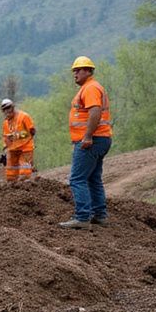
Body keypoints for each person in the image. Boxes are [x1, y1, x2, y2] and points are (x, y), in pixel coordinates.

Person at [59, 55, 113, 229]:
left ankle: (82, 217)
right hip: (101, 139)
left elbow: (95, 111)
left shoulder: (90, 88)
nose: (74, 73)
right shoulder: (91, 87)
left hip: (92, 140)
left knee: (77, 179)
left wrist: (87, 136)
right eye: (74, 70)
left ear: (88, 71)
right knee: (93, 179)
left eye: (78, 70)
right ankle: (100, 215)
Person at [0, 98, 35, 182]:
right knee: (10, 176)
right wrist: (4, 150)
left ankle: (26, 191)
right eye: (5, 110)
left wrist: (17, 136)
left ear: (13, 107)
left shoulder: (24, 117)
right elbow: (6, 137)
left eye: (8, 108)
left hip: (25, 148)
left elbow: (32, 132)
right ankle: (13, 192)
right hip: (12, 150)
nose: (7, 111)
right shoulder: (5, 123)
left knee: (24, 174)